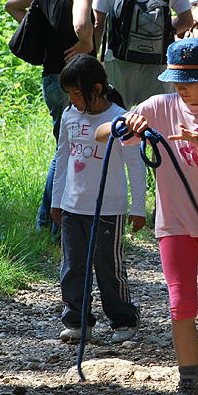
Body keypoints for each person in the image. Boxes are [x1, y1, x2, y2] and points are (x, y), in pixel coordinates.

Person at [96, 38, 198, 395]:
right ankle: (189, 390)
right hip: (174, 224)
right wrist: (122, 124)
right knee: (180, 304)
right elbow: (100, 133)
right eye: (176, 78)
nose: (180, 85)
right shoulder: (157, 107)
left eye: (188, 79)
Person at [4, 0, 100, 234]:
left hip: (50, 79)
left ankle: (53, 221)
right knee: (68, 150)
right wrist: (85, 43)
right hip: (73, 81)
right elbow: (82, 22)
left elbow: (12, 5)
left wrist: (38, 32)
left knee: (66, 146)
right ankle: (48, 221)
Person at [51, 54, 146, 344]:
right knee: (72, 266)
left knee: (108, 267)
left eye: (78, 93)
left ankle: (124, 321)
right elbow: (62, 158)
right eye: (69, 94)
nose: (74, 99)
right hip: (71, 208)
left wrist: (138, 208)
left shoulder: (119, 118)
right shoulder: (69, 116)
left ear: (97, 88)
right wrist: (56, 201)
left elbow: (136, 164)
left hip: (108, 208)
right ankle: (77, 321)